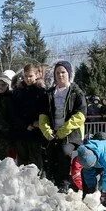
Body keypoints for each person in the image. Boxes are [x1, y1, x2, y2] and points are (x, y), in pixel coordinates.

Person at [38, 61, 87, 191]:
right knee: (48, 153)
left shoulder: (76, 92)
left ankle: (64, 184)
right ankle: (51, 183)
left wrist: (64, 130)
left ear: (69, 74)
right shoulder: (49, 93)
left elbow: (80, 116)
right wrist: (47, 131)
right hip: (53, 132)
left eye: (63, 72)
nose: (60, 75)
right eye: (57, 73)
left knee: (64, 152)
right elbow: (43, 115)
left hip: (71, 133)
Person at [12, 64, 47, 170]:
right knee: (22, 161)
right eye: (25, 76)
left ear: (36, 75)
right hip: (22, 131)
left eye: (30, 76)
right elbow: (14, 112)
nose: (28, 79)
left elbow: (44, 110)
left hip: (36, 132)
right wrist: (25, 125)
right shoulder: (18, 91)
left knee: (36, 162)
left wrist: (37, 123)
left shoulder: (41, 91)